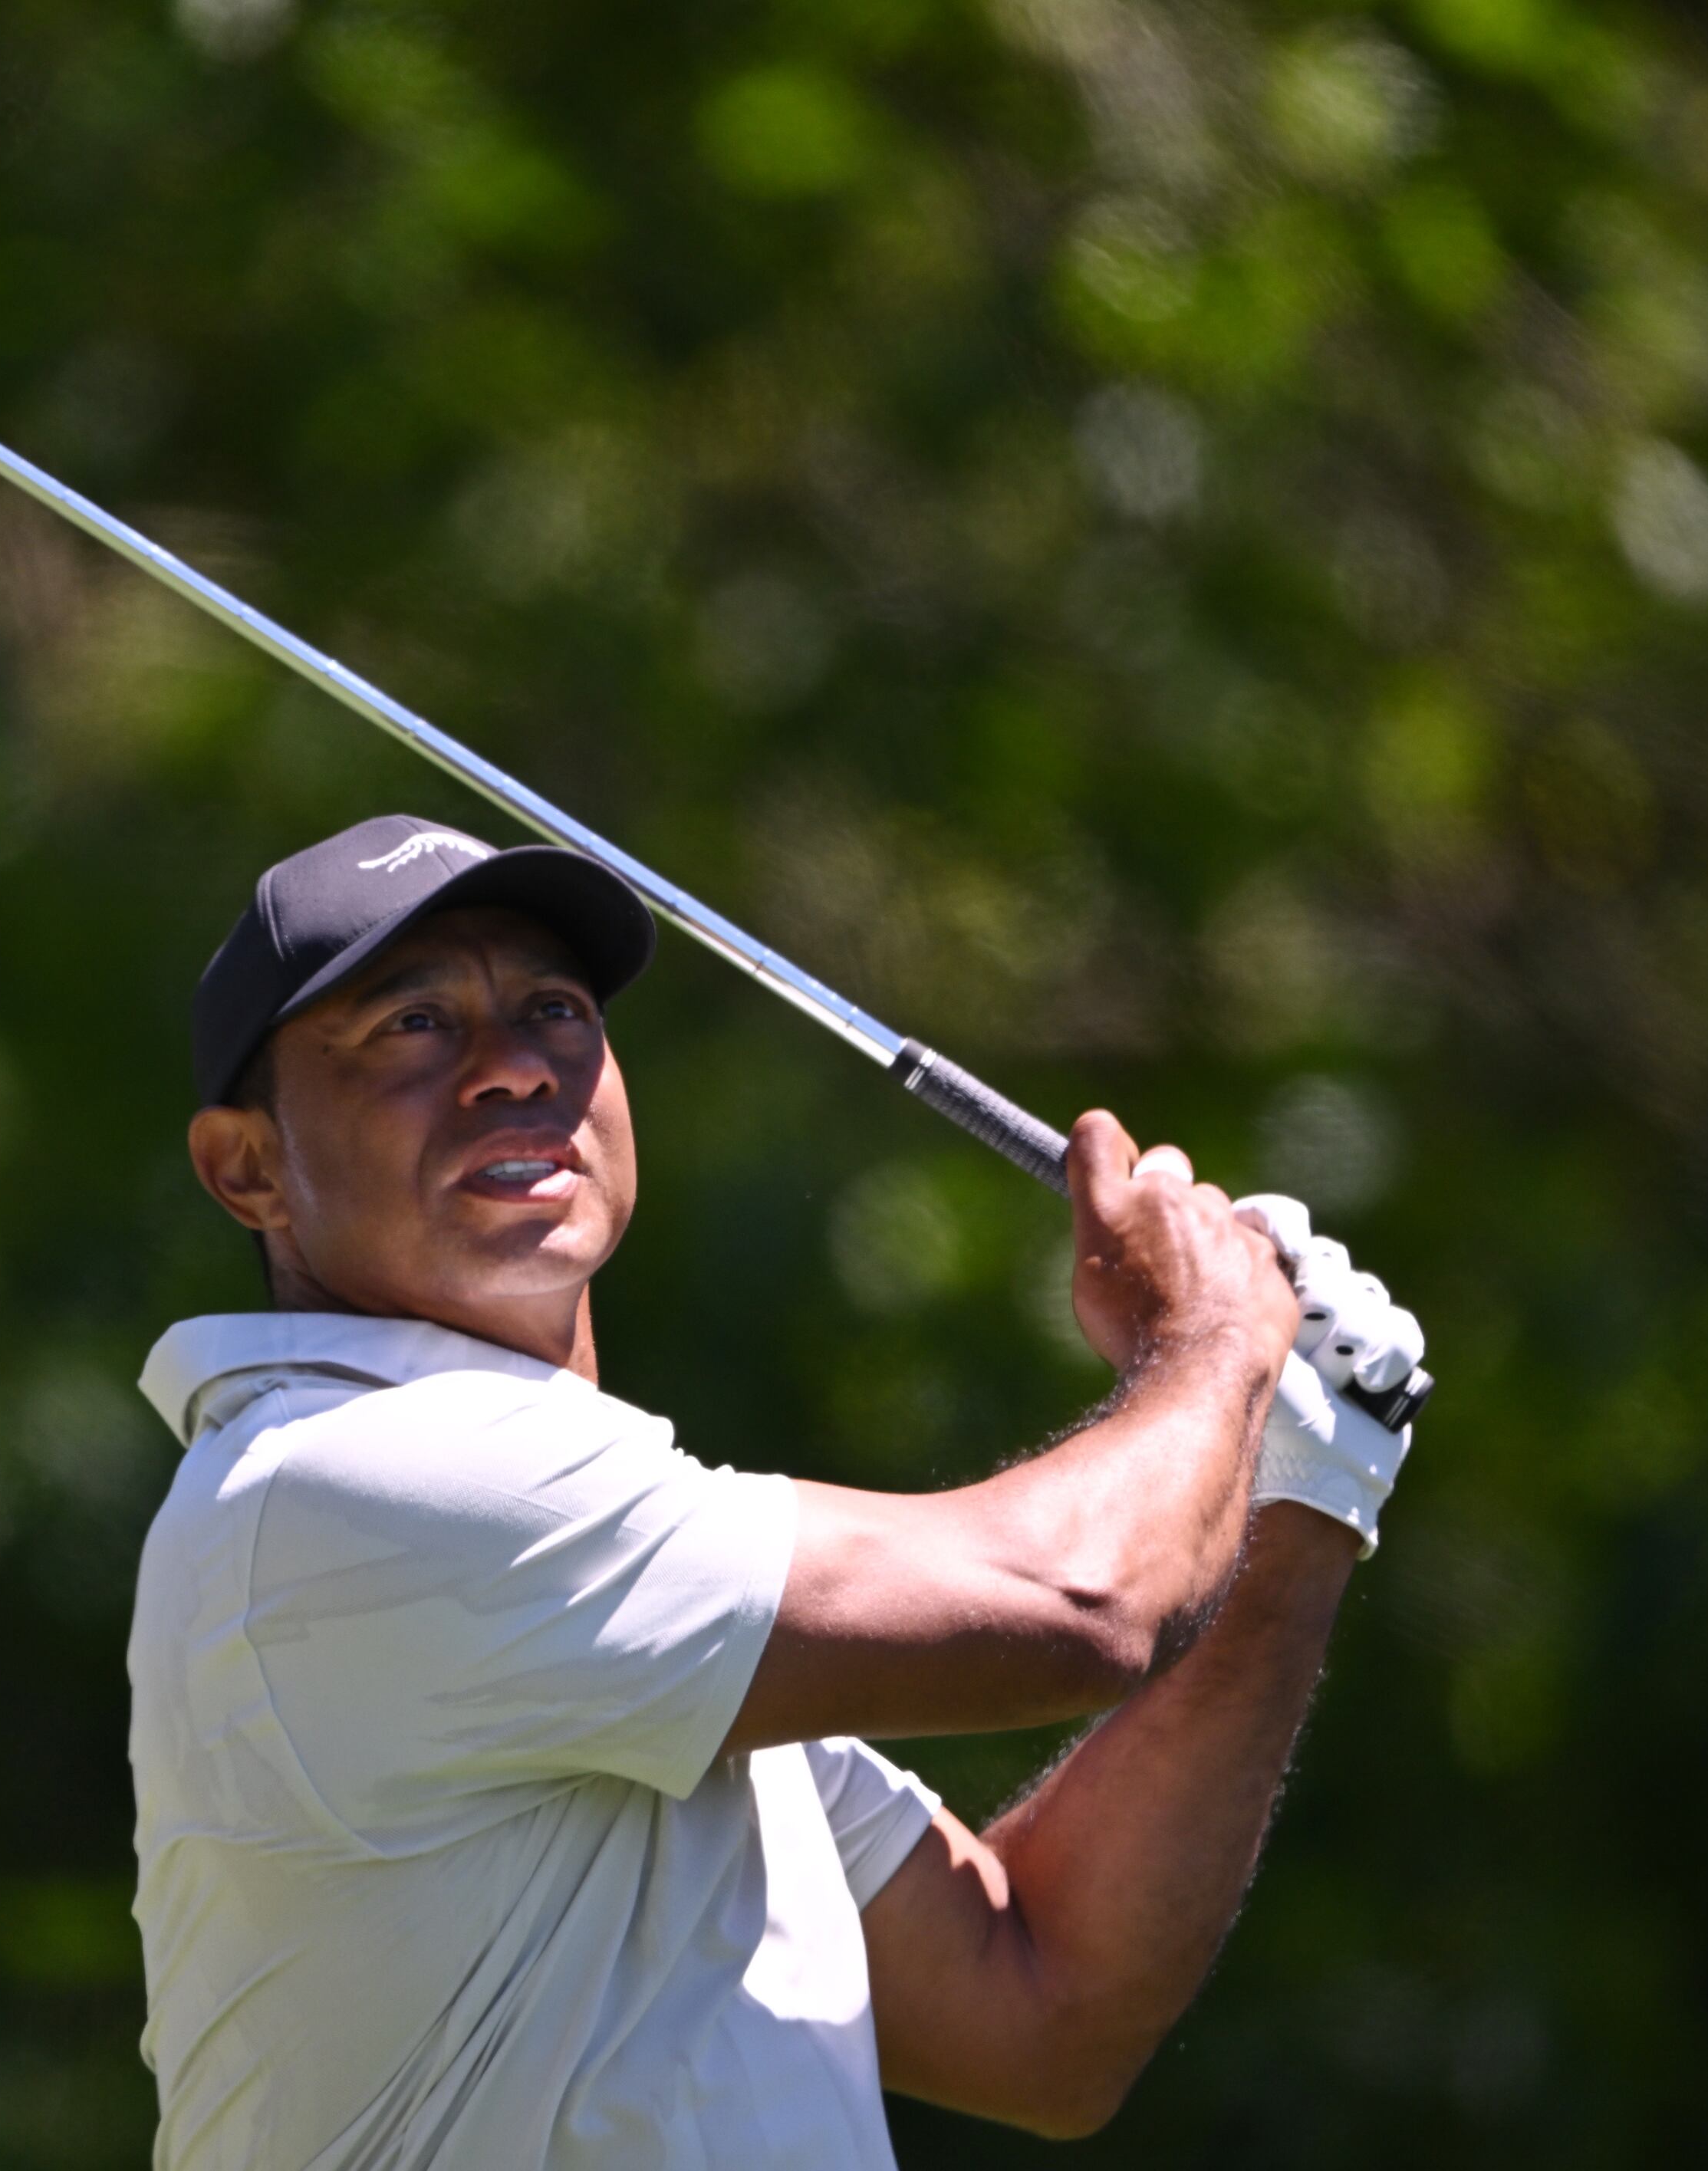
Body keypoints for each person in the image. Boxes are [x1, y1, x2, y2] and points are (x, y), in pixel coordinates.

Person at [126, 814, 1425, 2168]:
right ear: (249, 1168)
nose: (514, 1068)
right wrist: (1217, 1346)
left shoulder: (639, 1614)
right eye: (411, 1026)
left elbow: (1042, 2007)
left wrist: (1295, 1491)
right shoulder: (343, 1485)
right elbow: (1079, 1601)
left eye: (556, 1011)